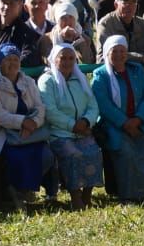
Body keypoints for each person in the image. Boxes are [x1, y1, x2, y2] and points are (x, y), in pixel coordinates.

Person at [90, 37, 144, 203]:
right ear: (107, 53)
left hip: (140, 123)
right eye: (114, 51)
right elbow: (104, 105)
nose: (118, 55)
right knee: (126, 151)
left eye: (122, 51)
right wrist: (125, 123)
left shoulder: (137, 70)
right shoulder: (100, 75)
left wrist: (137, 119)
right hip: (114, 125)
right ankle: (129, 194)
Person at [0, 43, 52, 210]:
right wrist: (22, 122)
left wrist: (33, 123)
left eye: (15, 59)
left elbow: (40, 107)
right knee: (17, 158)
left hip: (31, 132)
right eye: (8, 60)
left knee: (47, 156)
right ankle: (16, 192)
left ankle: (26, 190)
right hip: (4, 134)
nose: (12, 63)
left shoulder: (28, 81)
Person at [38, 41, 104, 210]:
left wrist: (87, 121)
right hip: (59, 133)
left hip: (82, 130)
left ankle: (87, 196)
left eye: (71, 58)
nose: (67, 62)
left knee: (93, 152)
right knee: (72, 154)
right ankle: (75, 197)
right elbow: (50, 110)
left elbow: (93, 105)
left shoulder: (80, 79)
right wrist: (72, 125)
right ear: (54, 59)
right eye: (63, 58)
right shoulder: (47, 81)